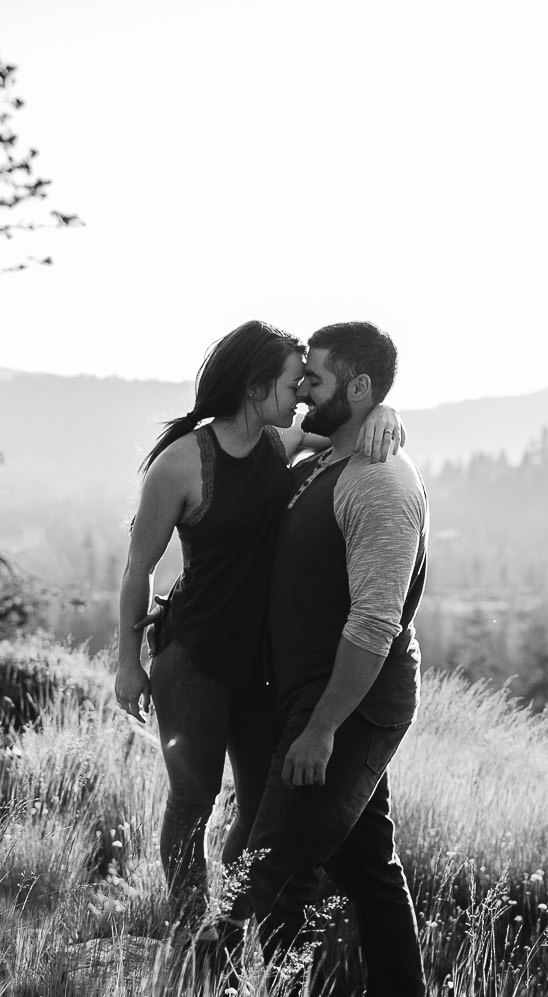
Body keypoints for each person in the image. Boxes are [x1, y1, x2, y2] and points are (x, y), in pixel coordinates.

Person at [113, 320, 403, 934]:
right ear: (254, 387)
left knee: (256, 810)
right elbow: (138, 568)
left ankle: (228, 924)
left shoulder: (279, 442)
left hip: (260, 665)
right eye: (293, 383)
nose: (301, 395)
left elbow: (347, 423)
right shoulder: (181, 464)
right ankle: (189, 930)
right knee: (193, 802)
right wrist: (127, 663)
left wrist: (386, 412)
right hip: (193, 658)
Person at [219, 320, 430, 997]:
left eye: (316, 378)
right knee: (367, 865)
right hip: (312, 698)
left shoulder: (380, 483)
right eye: (300, 377)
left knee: (273, 868)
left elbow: (374, 622)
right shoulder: (330, 455)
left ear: (359, 388)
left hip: (351, 705)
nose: (303, 390)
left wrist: (322, 727)